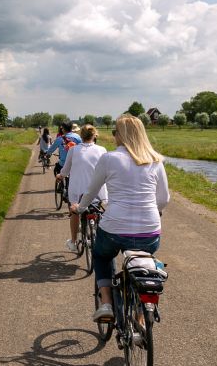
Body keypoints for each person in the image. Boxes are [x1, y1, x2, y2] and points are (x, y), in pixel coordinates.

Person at [72, 114, 169, 322]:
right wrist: (153, 211)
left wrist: (80, 207)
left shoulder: (109, 158)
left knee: (102, 255)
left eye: (115, 132)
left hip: (115, 227)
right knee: (143, 265)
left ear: (122, 135)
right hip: (149, 231)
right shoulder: (156, 160)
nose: (114, 136)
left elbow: (92, 191)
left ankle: (106, 303)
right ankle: (142, 314)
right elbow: (163, 199)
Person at [58, 124, 107, 253]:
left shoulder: (73, 150)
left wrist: (60, 175)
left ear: (81, 136)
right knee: (100, 211)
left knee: (75, 212)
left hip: (77, 190)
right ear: (95, 135)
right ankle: (99, 235)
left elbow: (66, 169)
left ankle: (73, 242)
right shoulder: (102, 150)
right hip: (98, 191)